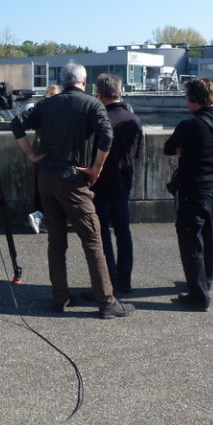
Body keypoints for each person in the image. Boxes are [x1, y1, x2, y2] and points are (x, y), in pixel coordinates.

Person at [11, 62, 133, 320]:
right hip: (73, 181)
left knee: (56, 242)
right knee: (92, 240)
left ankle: (60, 296)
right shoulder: (91, 104)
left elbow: (17, 124)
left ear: (63, 81)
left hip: (46, 179)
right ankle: (107, 301)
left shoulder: (46, 104)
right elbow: (106, 136)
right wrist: (96, 169)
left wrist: (32, 155)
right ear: (84, 81)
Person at [164, 78, 213, 311]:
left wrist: (183, 151)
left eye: (186, 96)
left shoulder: (189, 125)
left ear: (193, 98)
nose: (185, 100)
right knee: (210, 236)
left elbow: (168, 148)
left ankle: (198, 297)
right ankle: (206, 283)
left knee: (190, 241)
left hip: (194, 190)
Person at [91, 74, 142, 293]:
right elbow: (138, 154)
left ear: (100, 94)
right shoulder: (133, 119)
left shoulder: (101, 121)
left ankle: (108, 282)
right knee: (123, 233)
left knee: (102, 237)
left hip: (101, 185)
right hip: (123, 184)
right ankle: (125, 280)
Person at [27, 84, 61, 234]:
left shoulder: (44, 108)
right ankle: (39, 216)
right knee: (40, 187)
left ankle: (41, 217)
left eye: (55, 94)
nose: (53, 97)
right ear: (45, 95)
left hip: (45, 150)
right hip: (43, 151)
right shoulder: (42, 108)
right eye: (50, 94)